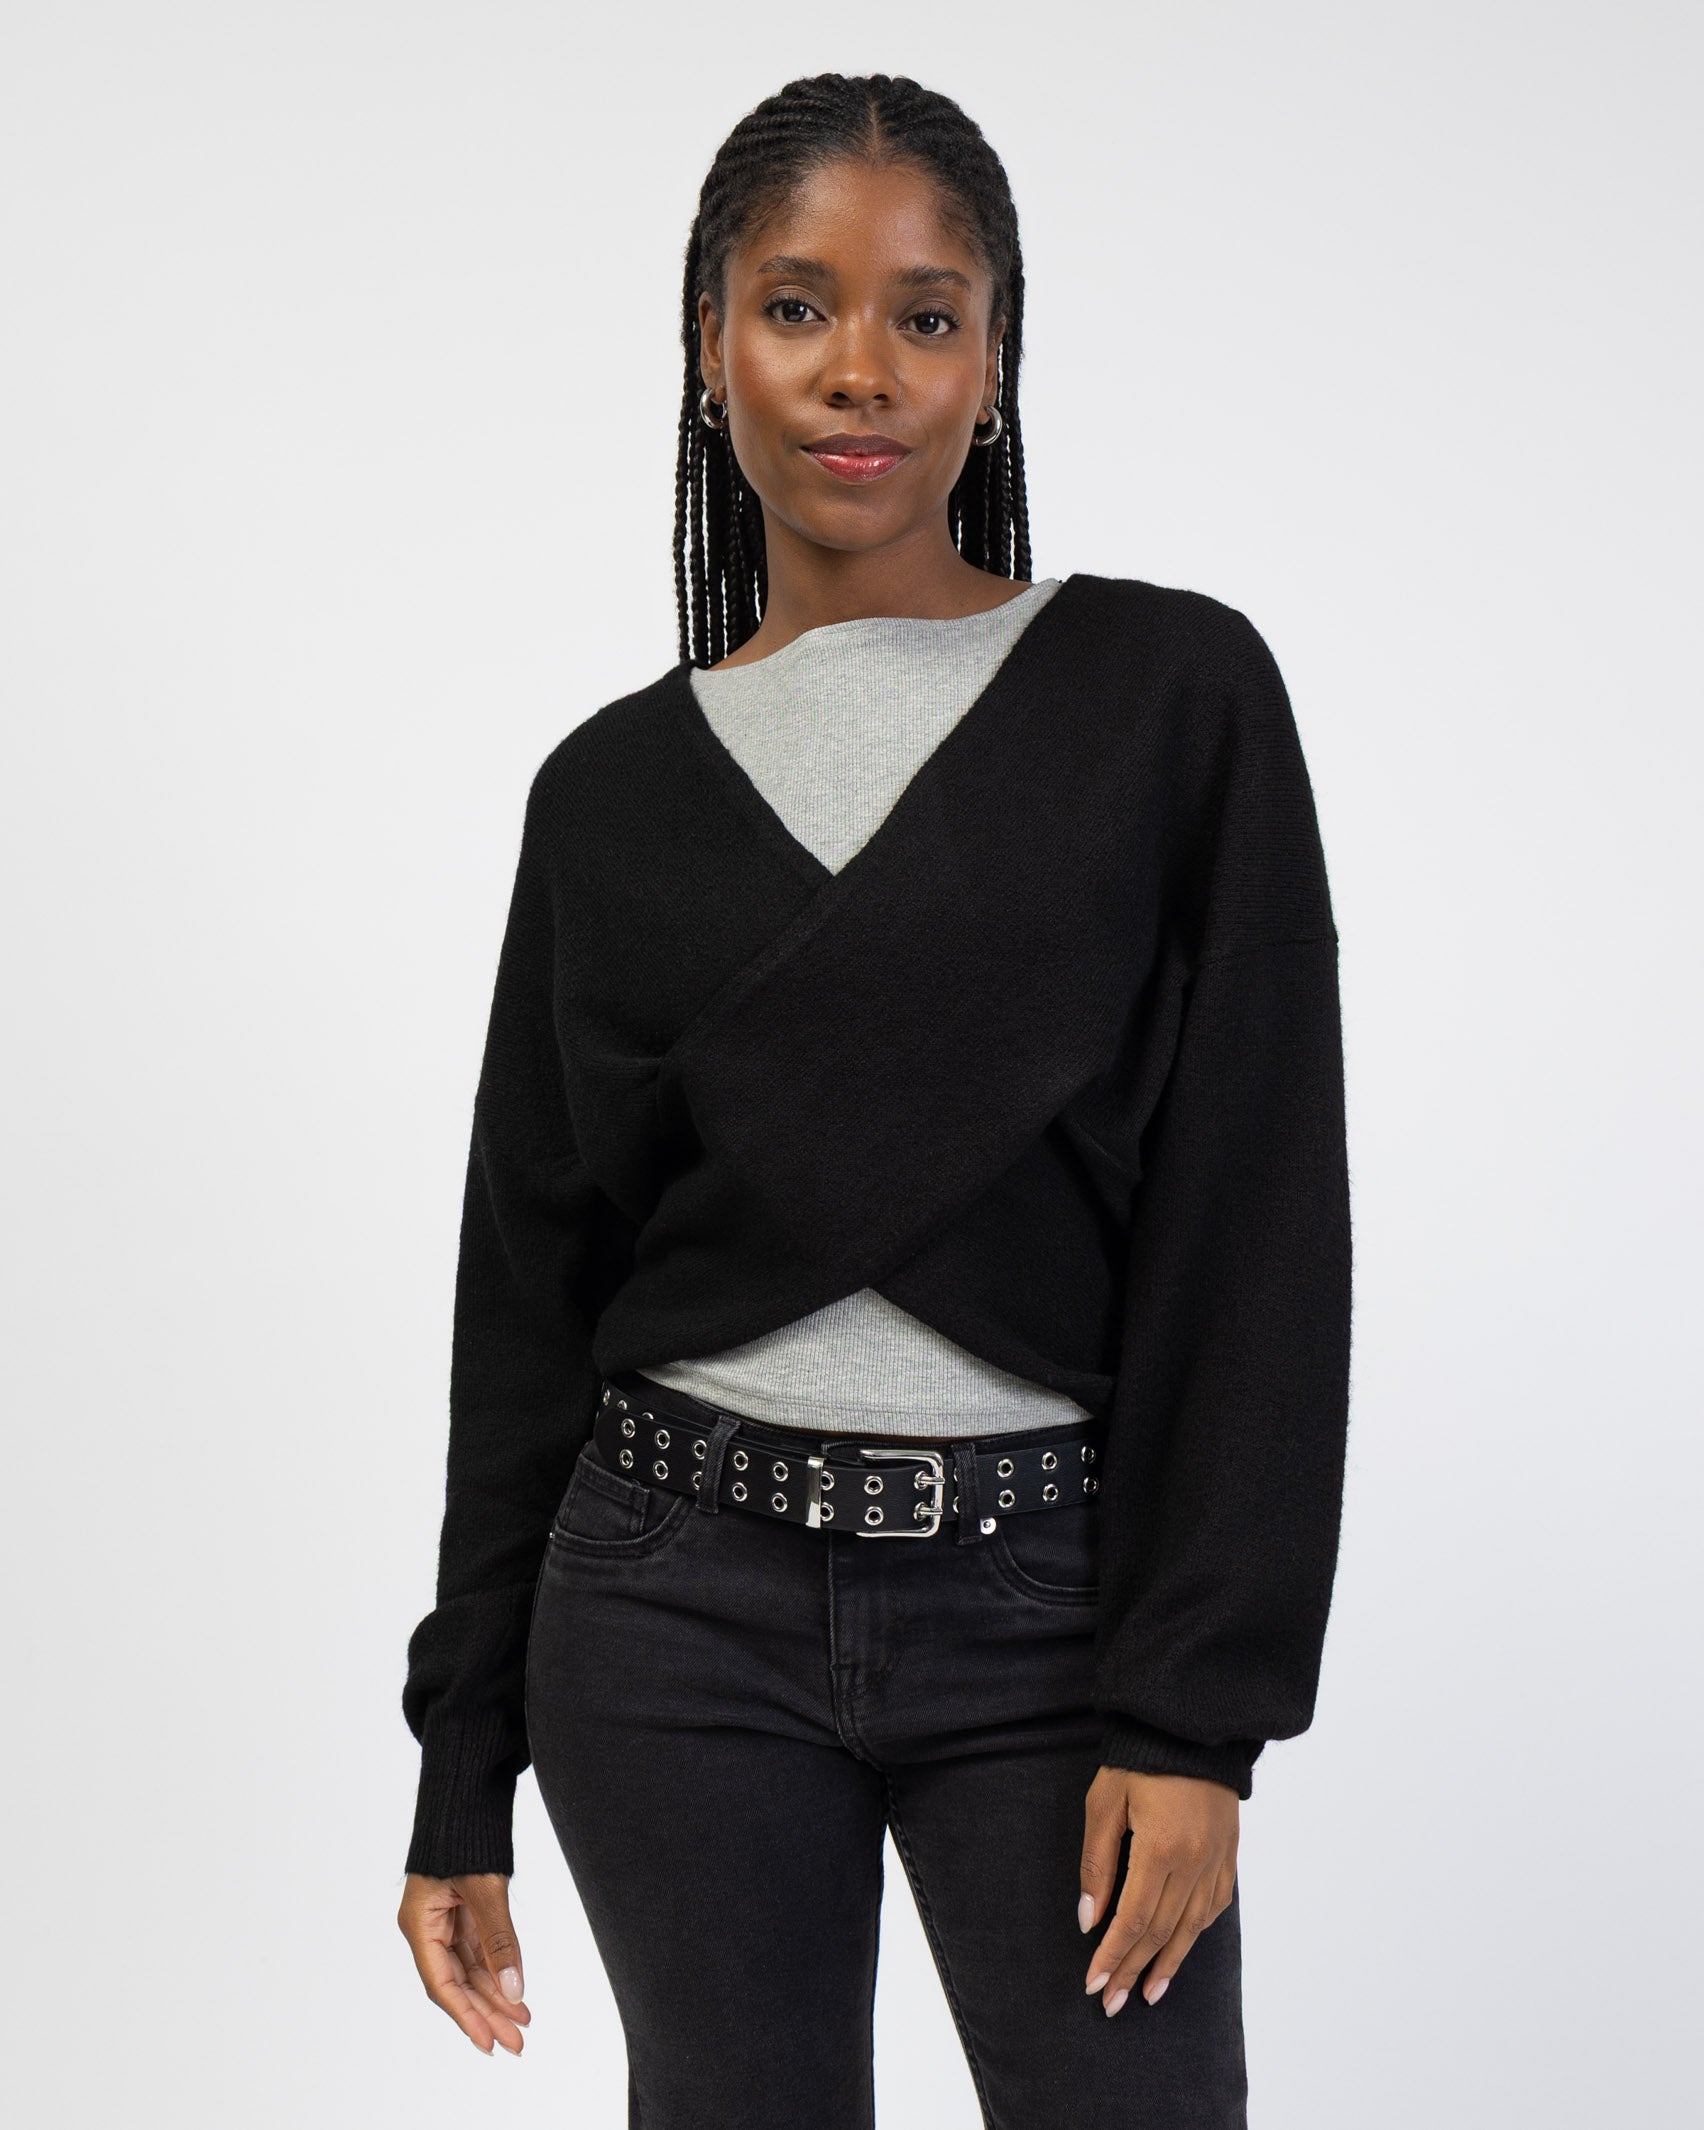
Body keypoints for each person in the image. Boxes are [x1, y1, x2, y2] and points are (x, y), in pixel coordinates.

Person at [396, 71, 1351, 2130]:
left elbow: (1260, 1226)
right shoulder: (607, 794)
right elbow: (528, 1287)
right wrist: (460, 1760)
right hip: (669, 1605)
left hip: (1052, 1613)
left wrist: (1195, 1718)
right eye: (796, 306)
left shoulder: (1171, 699)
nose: (862, 370)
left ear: (995, 360)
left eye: (927, 314)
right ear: (710, 345)